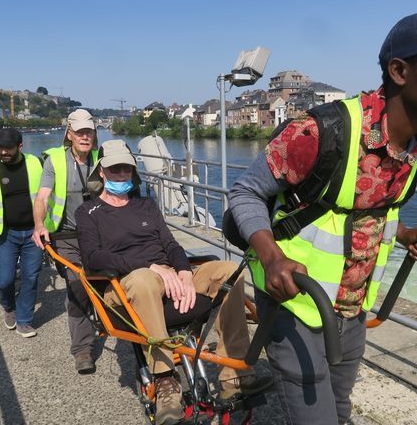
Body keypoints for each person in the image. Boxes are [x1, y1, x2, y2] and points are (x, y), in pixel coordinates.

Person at [227, 6, 417, 425]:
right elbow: (245, 192)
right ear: (399, 71)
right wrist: (271, 257)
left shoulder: (414, 146)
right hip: (293, 304)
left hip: (351, 309)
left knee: (339, 413)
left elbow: (371, 214)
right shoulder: (320, 132)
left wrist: (407, 234)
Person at [76, 139, 272, 425]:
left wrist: (180, 271)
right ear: (101, 173)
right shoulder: (88, 213)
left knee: (230, 269)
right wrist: (152, 268)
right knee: (144, 280)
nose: (121, 174)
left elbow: (170, 243)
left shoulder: (146, 205)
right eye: (114, 169)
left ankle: (236, 376)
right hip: (125, 285)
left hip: (168, 273)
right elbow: (93, 259)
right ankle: (166, 383)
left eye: (126, 169)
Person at [32, 109, 99, 374]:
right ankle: (82, 349)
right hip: (67, 236)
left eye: (89, 132)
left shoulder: (100, 158)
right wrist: (39, 224)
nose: (85, 136)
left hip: (98, 235)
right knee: (76, 284)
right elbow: (42, 198)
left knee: (107, 280)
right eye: (80, 132)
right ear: (69, 134)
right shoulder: (55, 161)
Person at [0, 128, 43, 338]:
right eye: (1, 147)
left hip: (33, 232)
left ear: (20, 146)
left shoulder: (36, 163)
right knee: (4, 280)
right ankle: (8, 306)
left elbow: (47, 195)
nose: (3, 152)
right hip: (6, 233)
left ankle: (24, 320)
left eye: (8, 148)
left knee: (31, 277)